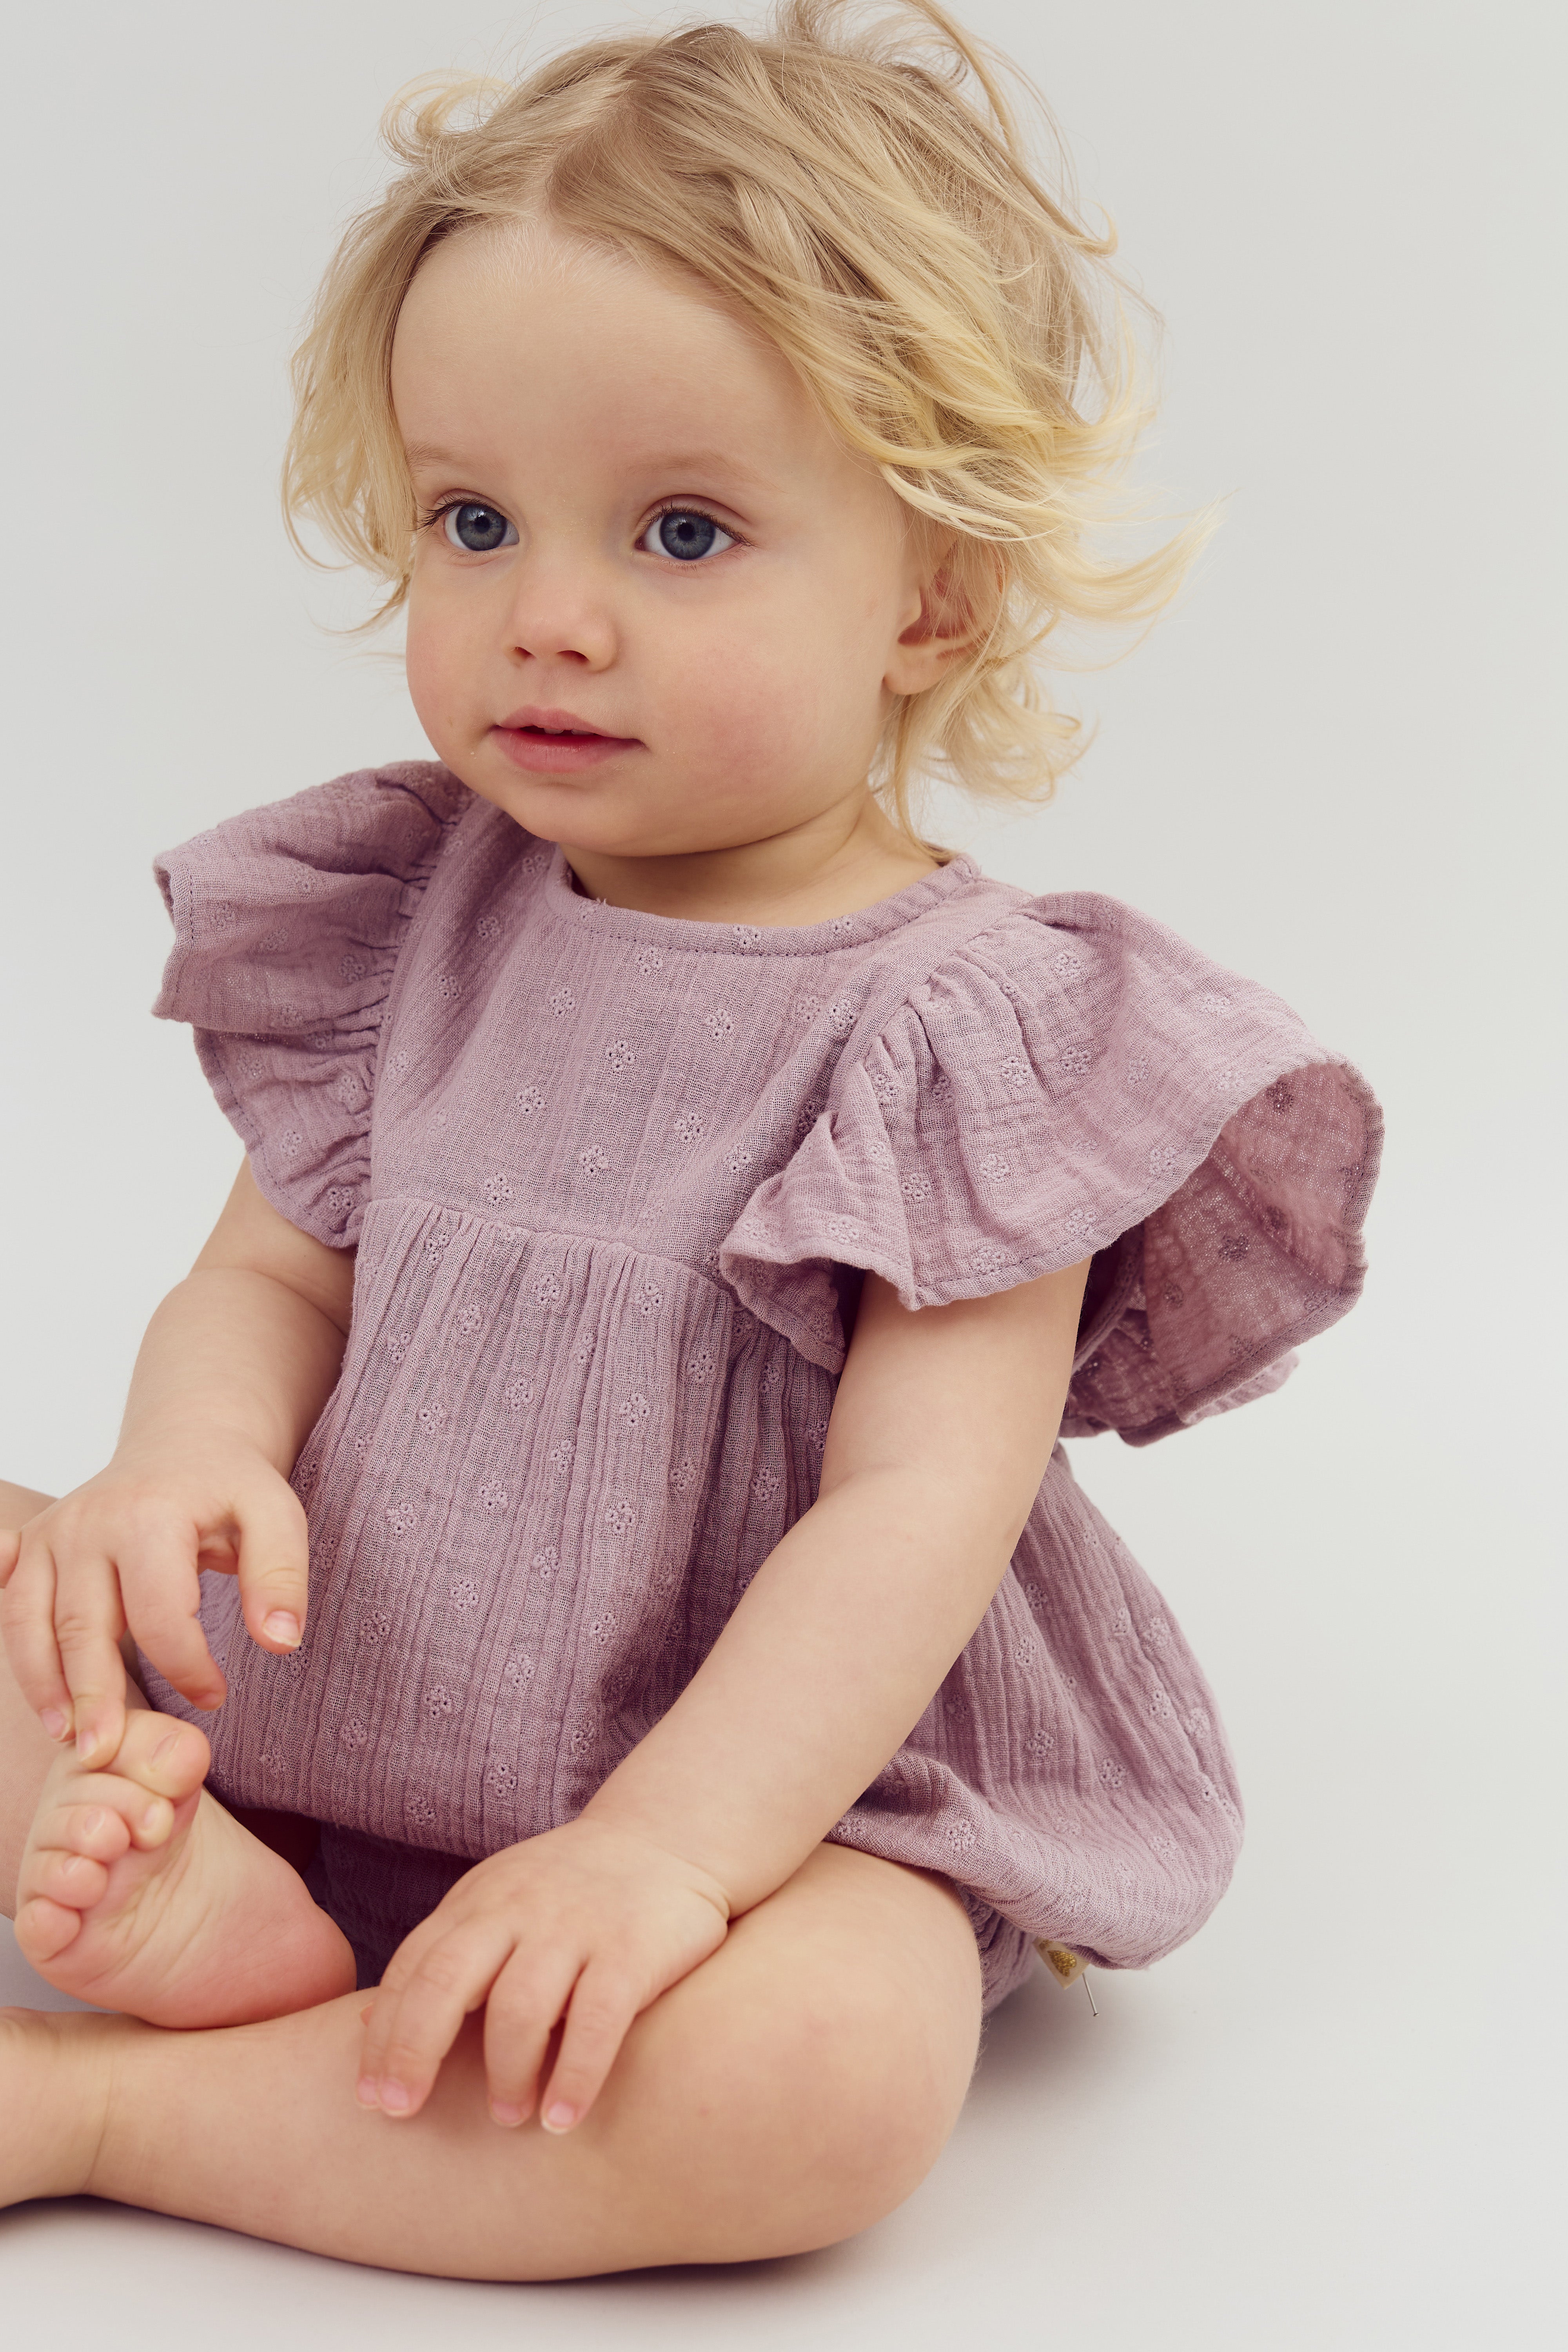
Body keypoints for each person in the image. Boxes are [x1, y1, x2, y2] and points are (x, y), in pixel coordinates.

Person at [0, 0, 1380, 2278]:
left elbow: (911, 1520)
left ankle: (121, 2103)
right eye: (473, 519)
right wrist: (178, 1466)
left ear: (931, 588)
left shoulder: (969, 1028)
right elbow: (266, 1275)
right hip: (337, 1677)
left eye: (682, 530)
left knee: (821, 2080)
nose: (549, 614)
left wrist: (663, 1855)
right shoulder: (414, 913)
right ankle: (239, 1920)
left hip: (764, 1786)